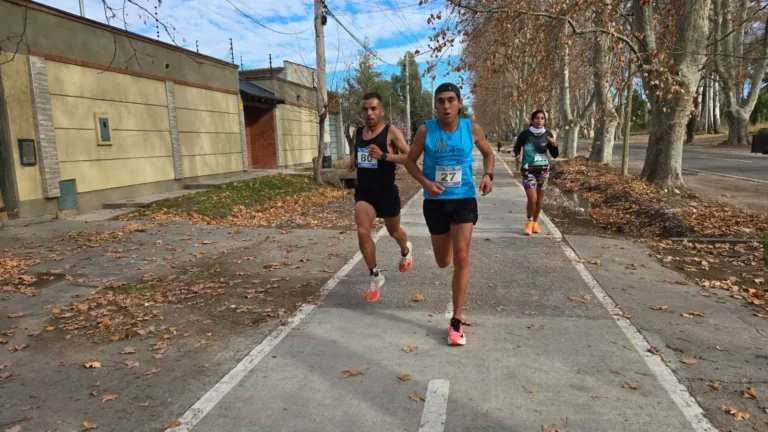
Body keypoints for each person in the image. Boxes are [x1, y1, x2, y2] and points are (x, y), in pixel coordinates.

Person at [403, 83, 495, 346]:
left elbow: (489, 154)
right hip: (435, 202)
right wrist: (426, 183)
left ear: (459, 103)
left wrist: (488, 176)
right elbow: (410, 161)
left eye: (451, 100)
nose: (446, 106)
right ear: (436, 105)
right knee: (444, 261)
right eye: (441, 101)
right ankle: (454, 246)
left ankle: (456, 320)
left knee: (462, 257)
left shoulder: (471, 128)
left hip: (464, 199)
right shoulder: (425, 131)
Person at [348, 92, 413, 302]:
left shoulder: (390, 132)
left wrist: (385, 156)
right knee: (363, 230)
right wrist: (353, 161)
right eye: (366, 109)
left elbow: (410, 156)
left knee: (394, 231)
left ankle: (405, 249)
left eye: (373, 109)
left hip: (386, 192)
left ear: (382, 111)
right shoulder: (357, 133)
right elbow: (357, 154)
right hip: (365, 192)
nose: (369, 113)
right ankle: (375, 275)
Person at [514, 110, 559, 235]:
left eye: (542, 118)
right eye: (537, 118)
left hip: (543, 170)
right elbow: (517, 146)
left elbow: (555, 155)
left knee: (539, 199)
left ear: (544, 121)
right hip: (528, 170)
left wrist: (554, 145)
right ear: (532, 120)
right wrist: (517, 155)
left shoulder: (548, 134)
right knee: (532, 198)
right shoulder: (525, 134)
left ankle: (535, 222)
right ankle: (529, 221)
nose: (540, 120)